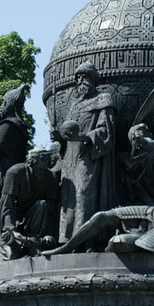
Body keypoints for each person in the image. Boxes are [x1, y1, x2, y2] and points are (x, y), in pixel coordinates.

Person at [51, 63, 117, 242]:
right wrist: (58, 137)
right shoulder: (74, 105)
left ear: (93, 79)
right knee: (67, 196)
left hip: (89, 155)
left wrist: (84, 137)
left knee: (83, 193)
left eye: (85, 76)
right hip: (69, 157)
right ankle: (66, 241)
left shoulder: (103, 99)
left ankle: (84, 240)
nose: (80, 81)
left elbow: (106, 131)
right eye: (78, 77)